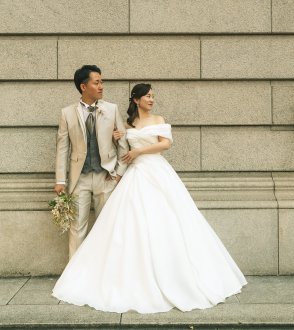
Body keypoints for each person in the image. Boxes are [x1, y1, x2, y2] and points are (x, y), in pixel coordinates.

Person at [53, 83, 246, 313]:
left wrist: (137, 152)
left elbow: (164, 144)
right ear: (136, 100)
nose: (151, 100)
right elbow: (122, 146)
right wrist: (118, 140)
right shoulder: (127, 125)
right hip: (135, 175)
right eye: (147, 96)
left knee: (166, 221)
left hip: (157, 171)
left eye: (152, 96)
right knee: (130, 225)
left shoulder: (158, 119)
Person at [54, 65, 128, 258]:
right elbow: (62, 148)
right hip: (80, 179)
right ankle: (74, 278)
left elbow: (123, 144)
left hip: (106, 177)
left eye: (101, 82)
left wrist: (118, 173)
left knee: (107, 226)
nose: (101, 86)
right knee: (77, 228)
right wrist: (60, 180)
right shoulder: (67, 113)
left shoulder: (111, 109)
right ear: (83, 86)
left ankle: (106, 272)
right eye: (97, 82)